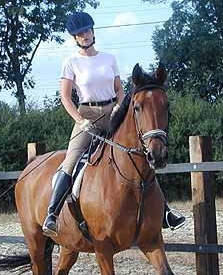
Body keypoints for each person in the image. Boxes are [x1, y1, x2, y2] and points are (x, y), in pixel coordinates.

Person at [42, 12, 185, 237]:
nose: (85, 35)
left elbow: (119, 90)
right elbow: (66, 98)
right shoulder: (70, 62)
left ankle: (165, 212)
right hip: (87, 115)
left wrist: (120, 106)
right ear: (75, 38)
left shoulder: (109, 58)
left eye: (87, 31)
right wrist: (80, 120)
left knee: (141, 156)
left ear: (92, 31)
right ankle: (52, 213)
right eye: (80, 34)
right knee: (69, 162)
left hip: (114, 112)